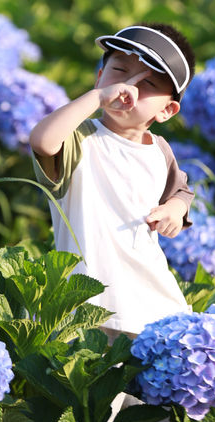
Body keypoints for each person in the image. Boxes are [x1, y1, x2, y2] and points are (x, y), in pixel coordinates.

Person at [29, 23, 196, 340]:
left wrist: (174, 209)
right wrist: (95, 99)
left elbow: (181, 191)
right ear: (98, 78)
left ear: (167, 110)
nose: (128, 87)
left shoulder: (160, 150)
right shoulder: (79, 139)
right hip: (89, 306)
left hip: (152, 300)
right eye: (119, 71)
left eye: (147, 83)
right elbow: (42, 141)